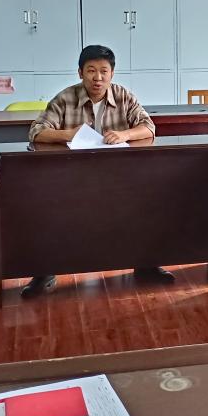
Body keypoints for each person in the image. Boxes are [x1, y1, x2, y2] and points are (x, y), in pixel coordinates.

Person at [22, 44, 163, 298]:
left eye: (104, 71)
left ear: (112, 73)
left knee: (148, 200)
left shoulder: (123, 96)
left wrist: (124, 134)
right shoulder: (66, 98)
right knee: (45, 206)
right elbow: (36, 131)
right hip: (73, 177)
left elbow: (149, 127)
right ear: (80, 73)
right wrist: (68, 134)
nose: (98, 78)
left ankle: (146, 265)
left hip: (118, 176)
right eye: (91, 71)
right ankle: (44, 272)